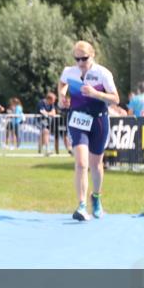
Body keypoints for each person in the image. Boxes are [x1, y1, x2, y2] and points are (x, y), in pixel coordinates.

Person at [58, 41, 119, 221]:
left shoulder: (103, 73)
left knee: (96, 165)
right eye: (76, 59)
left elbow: (115, 98)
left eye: (83, 58)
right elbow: (62, 83)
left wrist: (96, 94)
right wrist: (62, 96)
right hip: (77, 120)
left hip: (98, 120)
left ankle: (97, 197)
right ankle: (81, 206)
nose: (80, 62)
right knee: (81, 163)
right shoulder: (69, 72)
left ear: (92, 55)